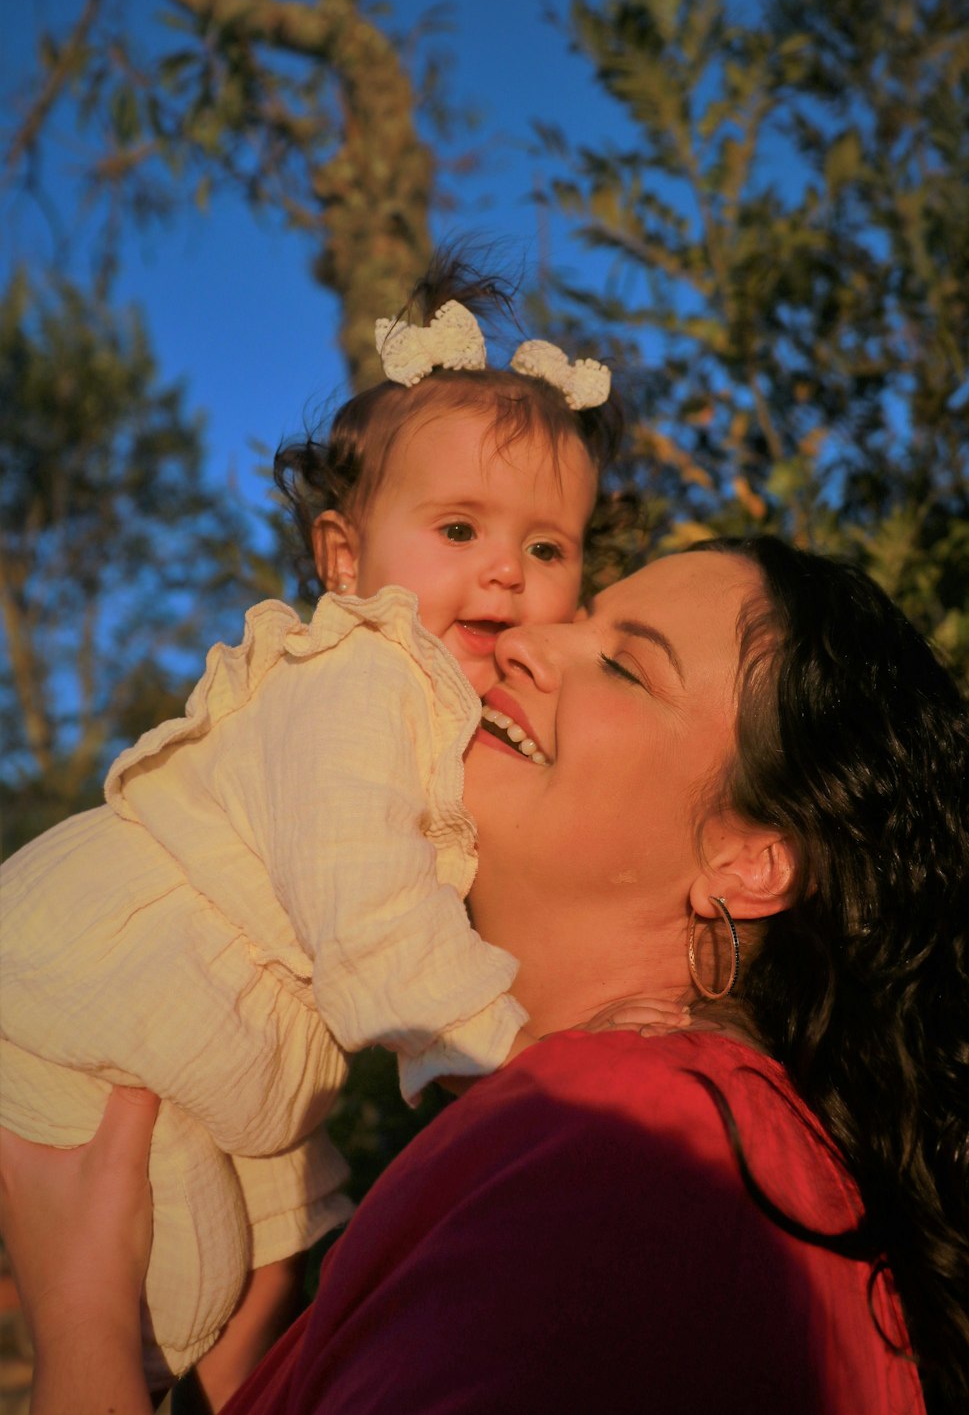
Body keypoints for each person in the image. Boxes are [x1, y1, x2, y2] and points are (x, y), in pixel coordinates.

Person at [3, 537, 969, 1414]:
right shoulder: (651, 1137)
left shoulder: (632, 1149)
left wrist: (84, 1324)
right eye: (577, 618)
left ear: (750, 862)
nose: (524, 638)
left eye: (623, 666)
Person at [0, 257, 626, 1397]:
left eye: (548, 549)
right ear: (345, 559)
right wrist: (510, 1062)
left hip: (239, 1024)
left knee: (280, 1265)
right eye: (457, 527)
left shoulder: (456, 705)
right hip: (117, 986)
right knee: (177, 1295)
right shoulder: (359, 679)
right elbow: (372, 907)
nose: (506, 569)